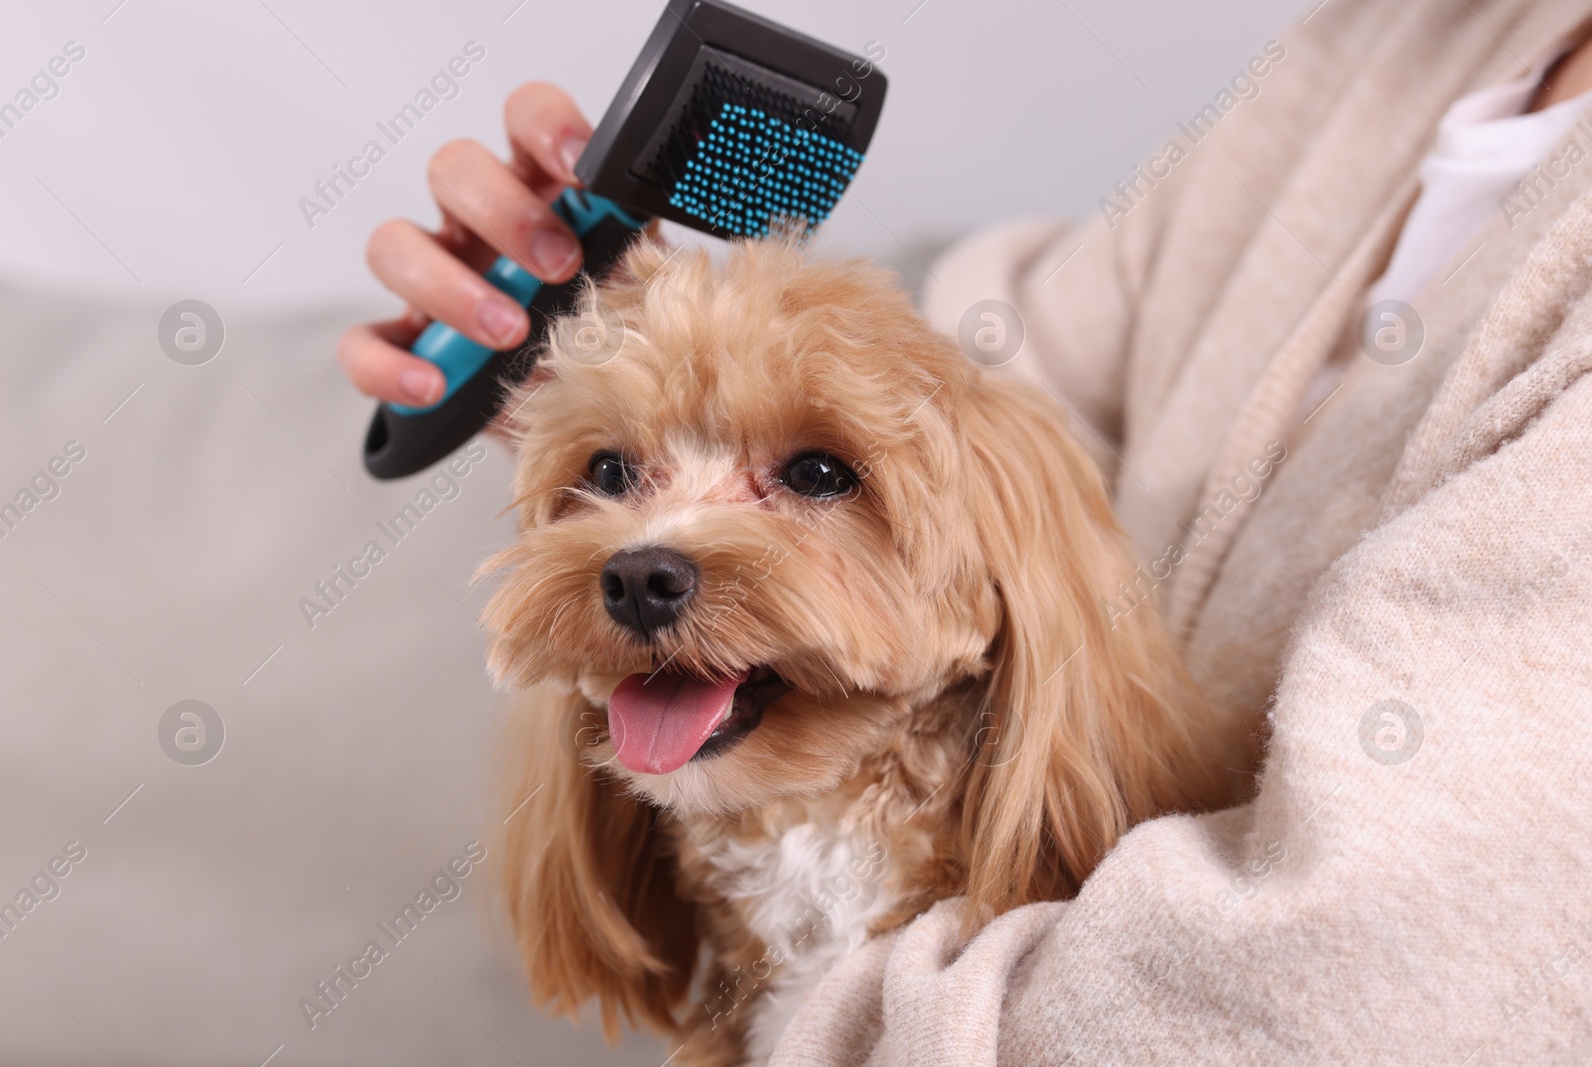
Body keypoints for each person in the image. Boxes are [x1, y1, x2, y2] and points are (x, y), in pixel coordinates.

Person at [338, 0, 1592, 1061]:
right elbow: (1012, 370)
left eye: (810, 473)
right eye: (619, 478)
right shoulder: (1406, 37)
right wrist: (616, 335)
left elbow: (1352, 978)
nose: (652, 548)